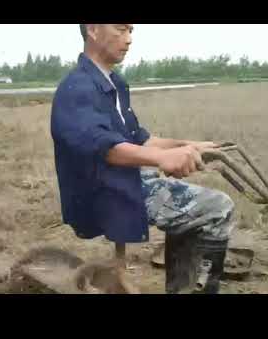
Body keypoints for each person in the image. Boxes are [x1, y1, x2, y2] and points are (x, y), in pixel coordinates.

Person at [50, 24, 235, 294]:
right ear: (92, 30)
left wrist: (188, 145)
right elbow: (106, 147)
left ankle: (181, 286)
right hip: (103, 190)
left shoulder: (114, 83)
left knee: (196, 211)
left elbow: (139, 139)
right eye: (121, 29)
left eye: (131, 31)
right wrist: (161, 159)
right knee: (218, 208)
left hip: (123, 178)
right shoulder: (77, 88)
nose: (129, 39)